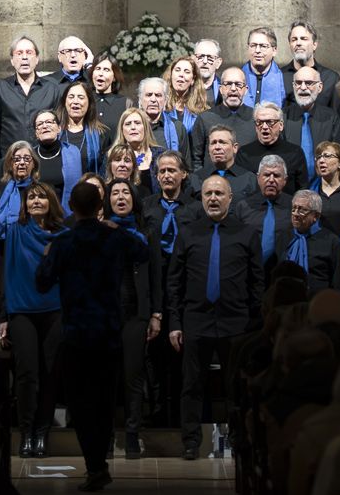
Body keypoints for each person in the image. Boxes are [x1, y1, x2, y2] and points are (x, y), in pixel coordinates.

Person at [37, 180, 152, 491]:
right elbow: (144, 253)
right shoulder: (114, 238)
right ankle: (98, 465)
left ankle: (95, 466)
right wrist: (117, 231)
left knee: (81, 404)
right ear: (99, 208)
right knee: (103, 402)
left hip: (76, 334)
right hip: (109, 332)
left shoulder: (64, 242)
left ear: (72, 208)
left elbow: (42, 283)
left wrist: (48, 253)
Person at [166, 174, 265, 459]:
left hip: (236, 323)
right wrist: (175, 322)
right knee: (191, 385)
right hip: (196, 319)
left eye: (218, 194)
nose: (212, 198)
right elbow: (175, 281)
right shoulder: (188, 232)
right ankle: (191, 442)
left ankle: (240, 439)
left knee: (237, 386)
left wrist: (254, 324)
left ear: (230, 198)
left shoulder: (247, 234)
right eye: (208, 193)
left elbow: (257, 283)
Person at [0, 182, 64, 456]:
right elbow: (7, 273)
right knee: (26, 374)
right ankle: (26, 431)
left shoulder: (63, 235)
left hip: (56, 310)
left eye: (41, 197)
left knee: (50, 374)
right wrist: (4, 316)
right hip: (22, 310)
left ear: (51, 202)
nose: (36, 201)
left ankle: (42, 432)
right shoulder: (15, 232)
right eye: (31, 197)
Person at [101, 178, 162, 458]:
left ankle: (133, 434)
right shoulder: (99, 232)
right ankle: (106, 435)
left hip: (136, 313)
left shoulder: (146, 232)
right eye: (115, 193)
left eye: (126, 192)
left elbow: (155, 276)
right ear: (108, 200)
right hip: (105, 314)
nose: (121, 197)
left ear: (134, 199)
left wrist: (156, 314)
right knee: (107, 377)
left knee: (133, 376)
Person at [0, 36, 58, 152]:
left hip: (44, 158)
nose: (24, 57)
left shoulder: (51, 89)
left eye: (29, 53)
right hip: (10, 161)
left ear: (37, 58)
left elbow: (59, 127)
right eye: (19, 53)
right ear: (12, 60)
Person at [278, 189, 340, 298]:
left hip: (318, 306)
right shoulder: (284, 237)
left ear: (315, 216)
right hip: (286, 304)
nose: (295, 214)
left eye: (302, 210)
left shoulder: (332, 242)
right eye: (294, 208)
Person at [286, 63, 340, 177]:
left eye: (309, 83)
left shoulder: (331, 118)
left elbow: (338, 153)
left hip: (323, 185)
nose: (303, 88)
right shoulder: (283, 116)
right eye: (298, 83)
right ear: (293, 86)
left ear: (320, 87)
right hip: (290, 186)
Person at [57, 79, 106, 203]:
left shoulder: (101, 134)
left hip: (90, 200)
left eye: (81, 97)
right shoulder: (55, 133)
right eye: (71, 97)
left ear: (89, 102)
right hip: (58, 198)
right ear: (65, 101)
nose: (75, 101)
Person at [242, 103, 310, 192]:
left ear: (281, 125)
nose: (265, 127)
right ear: (255, 126)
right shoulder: (244, 153)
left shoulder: (295, 153)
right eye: (260, 122)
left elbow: (303, 189)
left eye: (270, 122)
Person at [186, 126, 259, 205]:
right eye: (213, 143)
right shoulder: (195, 179)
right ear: (208, 149)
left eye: (222, 142)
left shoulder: (250, 180)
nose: (217, 147)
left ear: (235, 148)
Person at [246, 156, 295, 263]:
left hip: (284, 269)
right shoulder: (243, 206)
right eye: (266, 175)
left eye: (276, 175)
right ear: (258, 178)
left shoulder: (295, 206)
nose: (271, 180)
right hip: (250, 269)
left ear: (285, 180)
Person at [285, 21, 340, 110]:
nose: (298, 43)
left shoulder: (331, 78)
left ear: (314, 45)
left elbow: (336, 115)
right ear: (290, 45)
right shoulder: (279, 76)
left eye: (304, 39)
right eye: (294, 39)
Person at [0, 141, 39, 239]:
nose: (22, 163)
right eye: (17, 159)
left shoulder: (41, 191)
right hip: (5, 245)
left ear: (34, 164)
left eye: (27, 159)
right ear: (10, 164)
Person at [199, 65, 257, 147]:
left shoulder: (256, 119)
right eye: (228, 84)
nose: (233, 88)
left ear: (246, 90)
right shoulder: (205, 119)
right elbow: (196, 157)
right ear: (221, 89)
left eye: (238, 84)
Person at [135, 75, 189, 161]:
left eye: (158, 95)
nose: (153, 99)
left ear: (165, 100)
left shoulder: (177, 128)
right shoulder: (130, 127)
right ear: (140, 100)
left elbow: (185, 165)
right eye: (149, 95)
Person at [151, 152, 194, 258]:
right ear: (157, 176)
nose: (166, 176)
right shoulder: (146, 206)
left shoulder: (196, 208)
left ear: (183, 173)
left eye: (171, 170)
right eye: (162, 171)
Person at [240, 27, 290, 110]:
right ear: (247, 48)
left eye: (263, 46)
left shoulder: (284, 79)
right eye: (253, 45)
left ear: (274, 50)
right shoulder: (237, 78)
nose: (257, 50)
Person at [166, 56, 209, 141]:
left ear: (193, 79)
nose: (181, 75)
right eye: (177, 70)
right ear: (171, 75)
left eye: (187, 72)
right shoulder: (161, 107)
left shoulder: (202, 112)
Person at [89, 55, 129, 132]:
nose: (101, 73)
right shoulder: (85, 100)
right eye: (98, 68)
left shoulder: (125, 103)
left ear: (114, 77)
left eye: (106, 70)